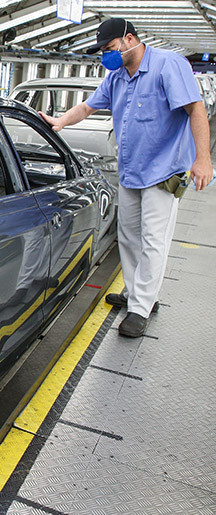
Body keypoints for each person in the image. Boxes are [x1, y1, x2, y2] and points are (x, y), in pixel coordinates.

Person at [40, 18, 212, 338]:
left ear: (129, 39)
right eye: (103, 51)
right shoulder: (116, 77)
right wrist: (60, 122)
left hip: (164, 171)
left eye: (109, 48)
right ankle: (137, 294)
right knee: (129, 237)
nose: (107, 55)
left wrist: (203, 159)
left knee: (153, 239)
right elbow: (88, 107)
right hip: (131, 170)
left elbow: (196, 110)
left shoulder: (168, 66)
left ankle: (141, 308)